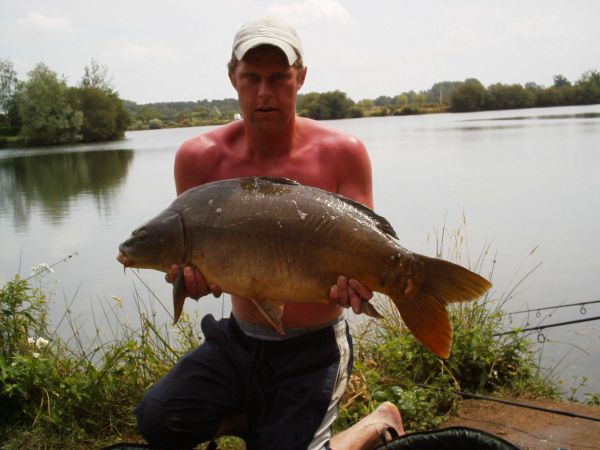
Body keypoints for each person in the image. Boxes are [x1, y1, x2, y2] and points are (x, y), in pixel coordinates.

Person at [134, 16, 403, 450]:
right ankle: (260, 418)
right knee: (158, 418)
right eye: (252, 78)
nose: (264, 92)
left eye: (278, 77)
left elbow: (365, 250)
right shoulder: (198, 159)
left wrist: (361, 285)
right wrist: (191, 280)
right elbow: (200, 260)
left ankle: (374, 425)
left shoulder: (343, 153)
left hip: (315, 348)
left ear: (301, 78)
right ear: (232, 78)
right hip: (240, 339)